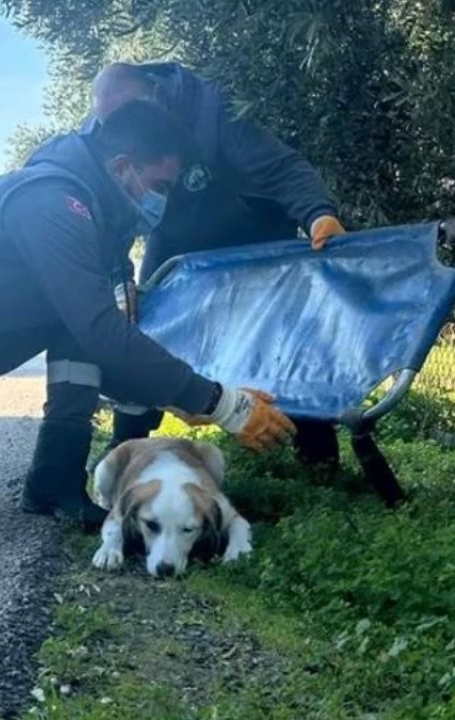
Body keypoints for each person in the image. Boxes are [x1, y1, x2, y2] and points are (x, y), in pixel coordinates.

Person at [0, 100, 296, 530]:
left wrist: (190, 399)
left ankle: (53, 482)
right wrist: (221, 403)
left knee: (81, 327)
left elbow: (104, 345)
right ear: (121, 167)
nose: (165, 202)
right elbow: (100, 331)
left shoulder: (102, 227)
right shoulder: (53, 204)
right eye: (161, 187)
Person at [86, 62, 347, 468]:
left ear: (153, 94)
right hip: (176, 243)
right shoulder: (104, 132)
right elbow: (112, 211)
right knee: (144, 322)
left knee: (285, 341)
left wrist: (317, 213)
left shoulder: (210, 111)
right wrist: (119, 280)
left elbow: (280, 166)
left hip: (255, 236)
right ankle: (125, 444)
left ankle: (318, 451)